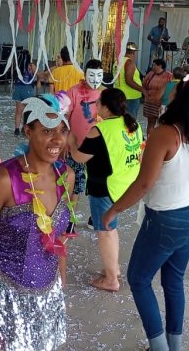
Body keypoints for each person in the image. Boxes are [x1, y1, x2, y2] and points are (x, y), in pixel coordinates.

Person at [101, 78, 189, 351]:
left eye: (175, 90)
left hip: (168, 220)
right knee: (173, 280)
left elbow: (143, 183)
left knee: (139, 280)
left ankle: (160, 347)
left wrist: (113, 210)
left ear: (182, 99)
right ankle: (174, 345)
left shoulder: (165, 134)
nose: (169, 92)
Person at [0, 95, 74, 351]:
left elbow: (59, 234)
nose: (57, 140)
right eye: (47, 131)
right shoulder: (4, 180)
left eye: (62, 131)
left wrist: (60, 281)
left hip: (48, 293)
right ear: (28, 131)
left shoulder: (65, 176)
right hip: (3, 296)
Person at [68, 87, 142, 292]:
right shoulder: (132, 123)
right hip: (126, 184)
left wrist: (72, 141)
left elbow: (79, 157)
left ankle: (111, 279)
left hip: (106, 187)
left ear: (107, 108)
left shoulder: (99, 131)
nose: (96, 106)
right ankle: (114, 268)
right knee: (111, 227)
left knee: (105, 231)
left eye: (98, 103)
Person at [64, 59, 104, 226]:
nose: (95, 79)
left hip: (98, 149)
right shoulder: (73, 92)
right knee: (75, 184)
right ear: (85, 74)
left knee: (98, 185)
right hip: (76, 147)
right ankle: (70, 219)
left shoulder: (105, 94)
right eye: (92, 75)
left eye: (99, 75)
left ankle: (95, 217)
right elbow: (64, 118)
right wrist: (65, 140)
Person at [142, 59, 173, 137]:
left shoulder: (168, 75)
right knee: (151, 122)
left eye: (154, 65)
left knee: (162, 123)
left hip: (161, 104)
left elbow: (171, 86)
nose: (153, 66)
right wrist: (145, 94)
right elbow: (143, 85)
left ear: (160, 66)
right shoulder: (150, 74)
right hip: (150, 102)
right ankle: (149, 139)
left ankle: (158, 140)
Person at [115, 41, 144, 119]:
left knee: (120, 118)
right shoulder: (129, 62)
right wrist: (142, 90)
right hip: (130, 96)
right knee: (130, 120)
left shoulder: (118, 61)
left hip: (120, 93)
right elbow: (129, 81)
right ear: (134, 52)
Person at [12, 49, 37, 136]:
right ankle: (24, 128)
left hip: (18, 89)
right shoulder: (31, 66)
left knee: (18, 111)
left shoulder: (18, 65)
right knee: (27, 111)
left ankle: (16, 129)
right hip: (28, 89)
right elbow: (36, 75)